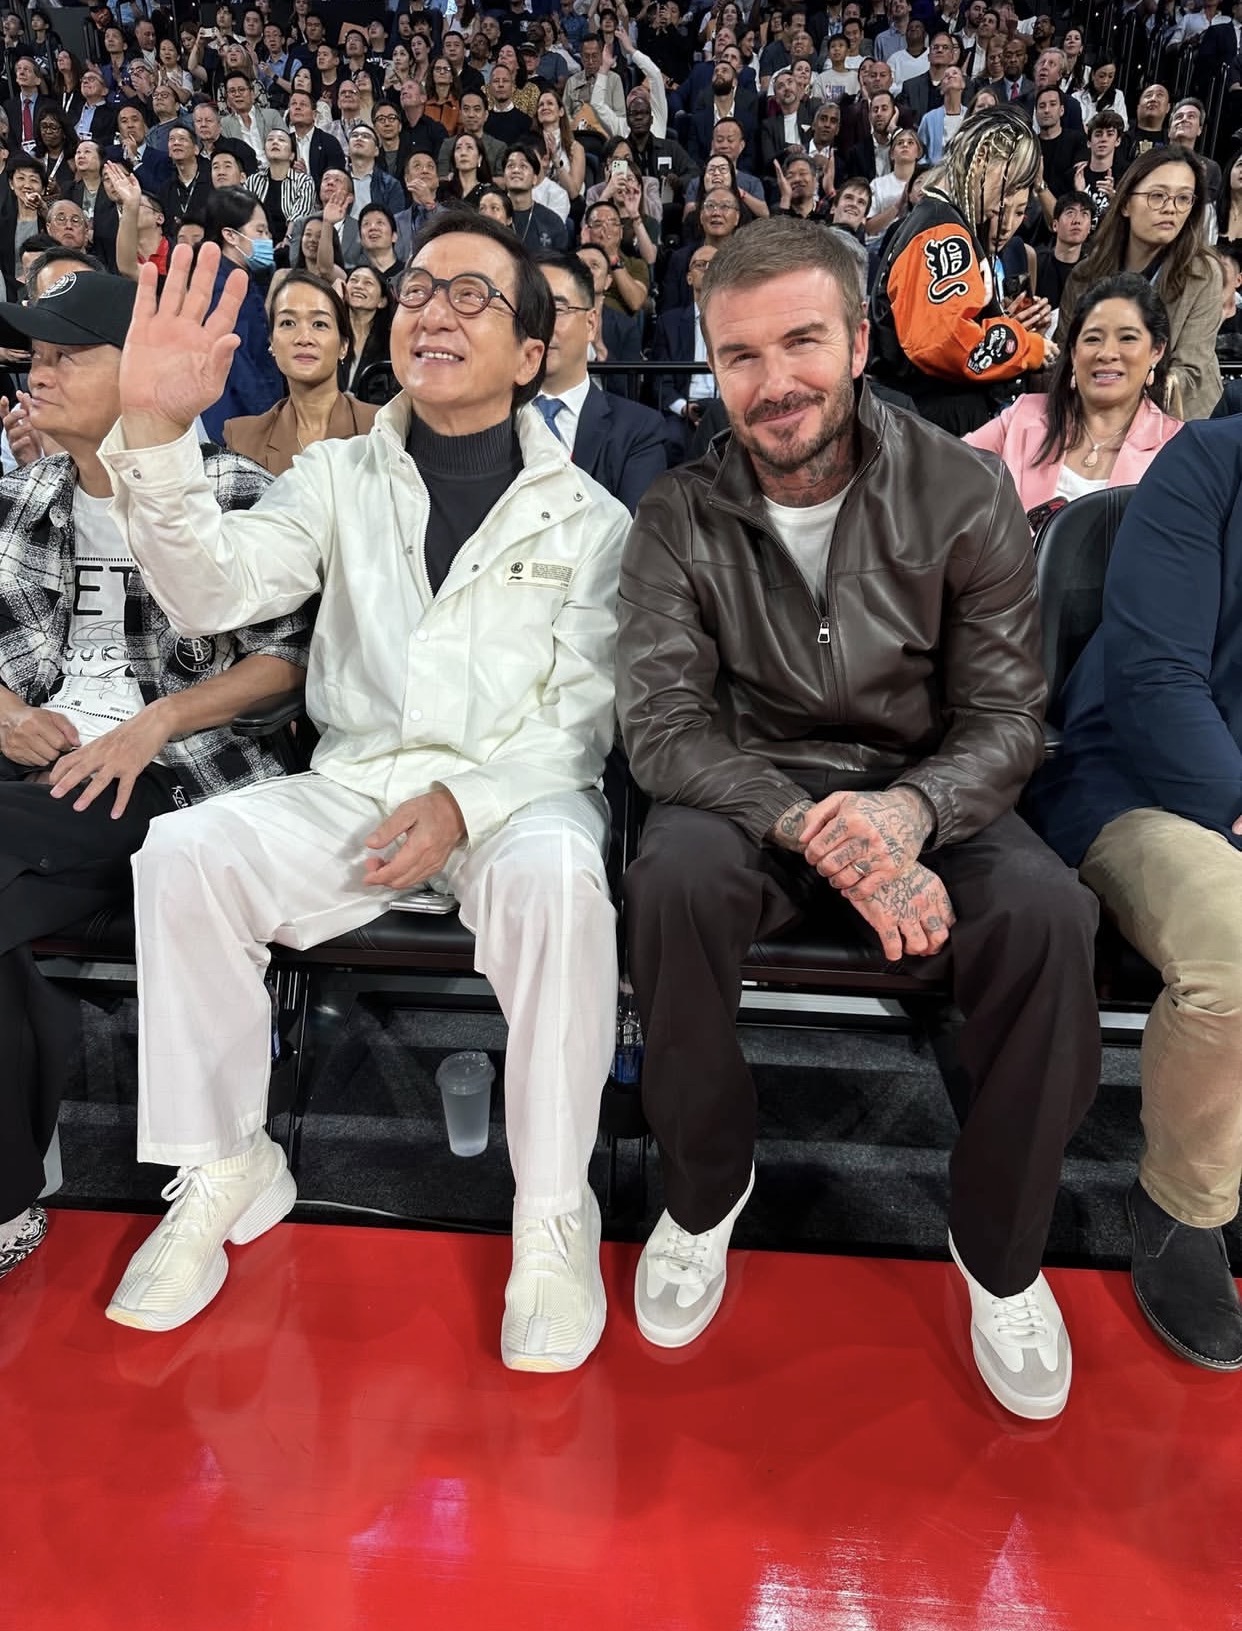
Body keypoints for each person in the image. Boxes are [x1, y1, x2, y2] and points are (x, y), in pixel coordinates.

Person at [98, 213, 632, 1372]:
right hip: (357, 785)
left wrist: (462, 805)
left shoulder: (594, 520)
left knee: (557, 875)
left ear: (533, 352)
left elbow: (580, 720)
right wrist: (155, 428)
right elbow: (211, 591)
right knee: (187, 854)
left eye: (472, 297)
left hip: (513, 798)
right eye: (418, 289)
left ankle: (551, 1211)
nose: (431, 311)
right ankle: (227, 1158)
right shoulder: (335, 475)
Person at [616, 217, 1100, 1422]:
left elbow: (1007, 716)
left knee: (1051, 916)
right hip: (752, 791)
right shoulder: (677, 511)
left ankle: (1000, 1249)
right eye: (740, 356)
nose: (775, 382)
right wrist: (811, 824)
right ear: (710, 368)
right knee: (665, 880)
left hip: (931, 784)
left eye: (802, 342)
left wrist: (906, 810)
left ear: (859, 341)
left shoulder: (966, 485)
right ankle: (705, 1189)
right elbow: (665, 729)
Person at [0, 271, 309, 1285]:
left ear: (138, 373)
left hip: (180, 779)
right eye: (32, 357)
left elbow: (287, 663)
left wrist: (155, 721)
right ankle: (8, 1188)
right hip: (38, 780)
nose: (34, 374)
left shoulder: (230, 490)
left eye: (62, 356)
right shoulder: (23, 494)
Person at [1026, 414, 1242, 1374]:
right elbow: (1156, 681)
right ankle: (1182, 1203)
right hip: (1144, 785)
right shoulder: (1210, 462)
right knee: (1236, 953)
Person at [869, 107, 1054, 432]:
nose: (1004, 203)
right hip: (929, 425)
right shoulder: (941, 229)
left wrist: (1003, 321)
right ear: (983, 158)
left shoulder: (943, 221)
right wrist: (1026, 346)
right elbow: (942, 341)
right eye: (1009, 184)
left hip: (926, 423)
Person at [966, 274, 1183, 527]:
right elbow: (945, 467)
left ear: (1156, 351)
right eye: (1092, 339)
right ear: (1073, 352)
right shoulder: (1022, 417)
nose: (1107, 353)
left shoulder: (1178, 450)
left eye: (1127, 338)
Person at [1056, 145, 1222, 421]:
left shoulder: (1204, 274)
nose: (1171, 208)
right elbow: (1066, 355)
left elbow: (1188, 373)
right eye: (1157, 196)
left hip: (1178, 420)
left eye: (1183, 198)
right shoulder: (1085, 275)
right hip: (1090, 416)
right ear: (1124, 203)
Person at [534, 251, 667, 513]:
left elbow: (635, 536)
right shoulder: (488, 419)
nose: (542, 324)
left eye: (557, 309)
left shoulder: (638, 430)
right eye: (532, 309)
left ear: (591, 324)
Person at [224, 270, 377, 473]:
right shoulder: (242, 438)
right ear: (271, 343)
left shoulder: (380, 428)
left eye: (319, 324)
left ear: (343, 346)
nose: (304, 338)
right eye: (288, 323)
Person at [199, 185, 284, 441]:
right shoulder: (221, 287)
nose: (267, 239)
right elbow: (235, 359)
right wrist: (266, 416)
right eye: (259, 230)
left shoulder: (242, 279)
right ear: (231, 235)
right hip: (234, 420)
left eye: (268, 231)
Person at [1034, 189, 1093, 310]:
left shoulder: (1094, 271)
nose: (1077, 220)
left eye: (1084, 214)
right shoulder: (1036, 262)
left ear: (1090, 228)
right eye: (1070, 213)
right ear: (1055, 225)